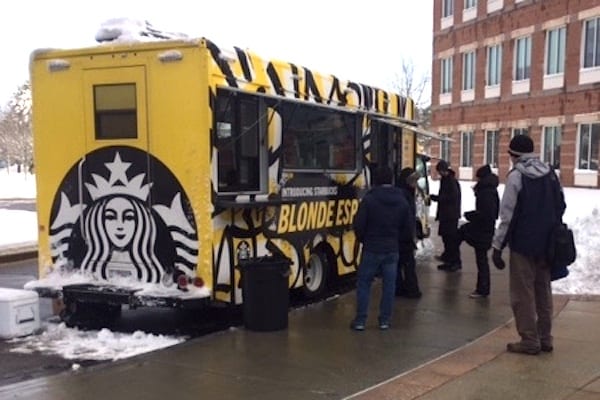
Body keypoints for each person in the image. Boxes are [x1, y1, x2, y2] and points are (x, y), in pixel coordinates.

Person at [491, 135, 566, 355]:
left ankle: (529, 339)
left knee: (522, 293)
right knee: (543, 290)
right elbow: (561, 204)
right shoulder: (550, 173)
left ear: (514, 155)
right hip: (547, 245)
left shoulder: (517, 177)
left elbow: (507, 215)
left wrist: (498, 246)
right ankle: (546, 337)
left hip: (523, 245)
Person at [351, 165, 412, 331]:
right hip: (391, 249)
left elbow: (359, 224)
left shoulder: (369, 200)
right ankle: (384, 320)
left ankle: (360, 320)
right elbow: (407, 228)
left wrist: (363, 239)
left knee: (364, 283)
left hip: (371, 247)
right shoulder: (401, 200)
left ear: (375, 181)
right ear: (391, 180)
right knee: (389, 286)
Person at [459, 164, 499, 298]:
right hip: (486, 230)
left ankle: (482, 289)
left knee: (481, 260)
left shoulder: (486, 194)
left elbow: (485, 215)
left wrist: (470, 215)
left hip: (483, 231)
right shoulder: (491, 191)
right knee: (481, 259)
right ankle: (482, 288)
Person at [430, 160, 462, 271]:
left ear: (444, 170)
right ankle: (448, 260)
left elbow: (450, 198)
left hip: (450, 216)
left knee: (451, 240)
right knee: (446, 239)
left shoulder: (451, 181)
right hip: (446, 215)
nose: (439, 174)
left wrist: (436, 198)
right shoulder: (445, 180)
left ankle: (455, 262)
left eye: (440, 171)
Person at [395, 167, 422, 298]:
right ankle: (411, 290)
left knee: (400, 264)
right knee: (408, 264)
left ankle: (400, 288)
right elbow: (406, 217)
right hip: (404, 237)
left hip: (401, 235)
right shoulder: (405, 195)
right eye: (413, 181)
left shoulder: (403, 192)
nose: (414, 184)